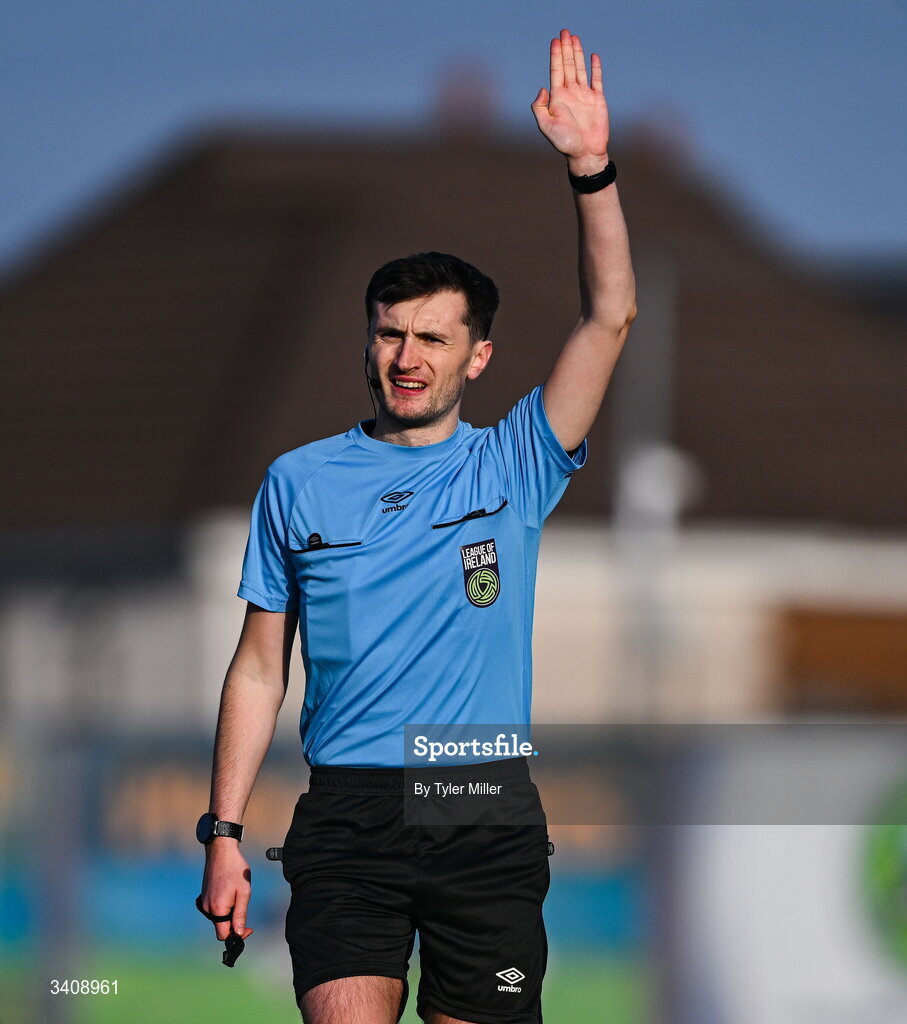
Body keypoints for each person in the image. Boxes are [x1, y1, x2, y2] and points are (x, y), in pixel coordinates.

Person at [197, 28, 635, 1024]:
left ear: (475, 356)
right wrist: (222, 828)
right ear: (367, 338)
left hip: (479, 806)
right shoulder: (299, 481)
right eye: (390, 332)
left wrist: (588, 167)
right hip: (348, 813)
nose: (406, 356)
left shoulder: (513, 461)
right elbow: (260, 667)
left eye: (431, 338)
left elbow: (609, 316)